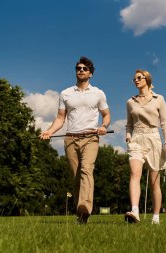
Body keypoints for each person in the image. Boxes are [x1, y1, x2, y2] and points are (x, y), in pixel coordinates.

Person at [39, 56, 111, 224]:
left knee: (87, 170)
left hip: (90, 138)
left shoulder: (98, 93)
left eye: (84, 69)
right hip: (70, 139)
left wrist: (104, 127)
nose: (81, 71)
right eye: (78, 68)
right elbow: (60, 118)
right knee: (76, 176)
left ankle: (85, 206)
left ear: (90, 73)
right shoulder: (66, 93)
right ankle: (81, 214)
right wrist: (49, 131)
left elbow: (106, 115)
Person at [124, 69, 166, 225]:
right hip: (136, 139)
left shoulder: (159, 99)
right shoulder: (130, 102)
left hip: (154, 139)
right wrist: (128, 135)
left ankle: (156, 217)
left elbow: (164, 122)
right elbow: (129, 124)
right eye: (134, 79)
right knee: (134, 173)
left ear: (147, 79)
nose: (136, 80)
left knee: (154, 183)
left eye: (139, 78)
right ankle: (135, 211)